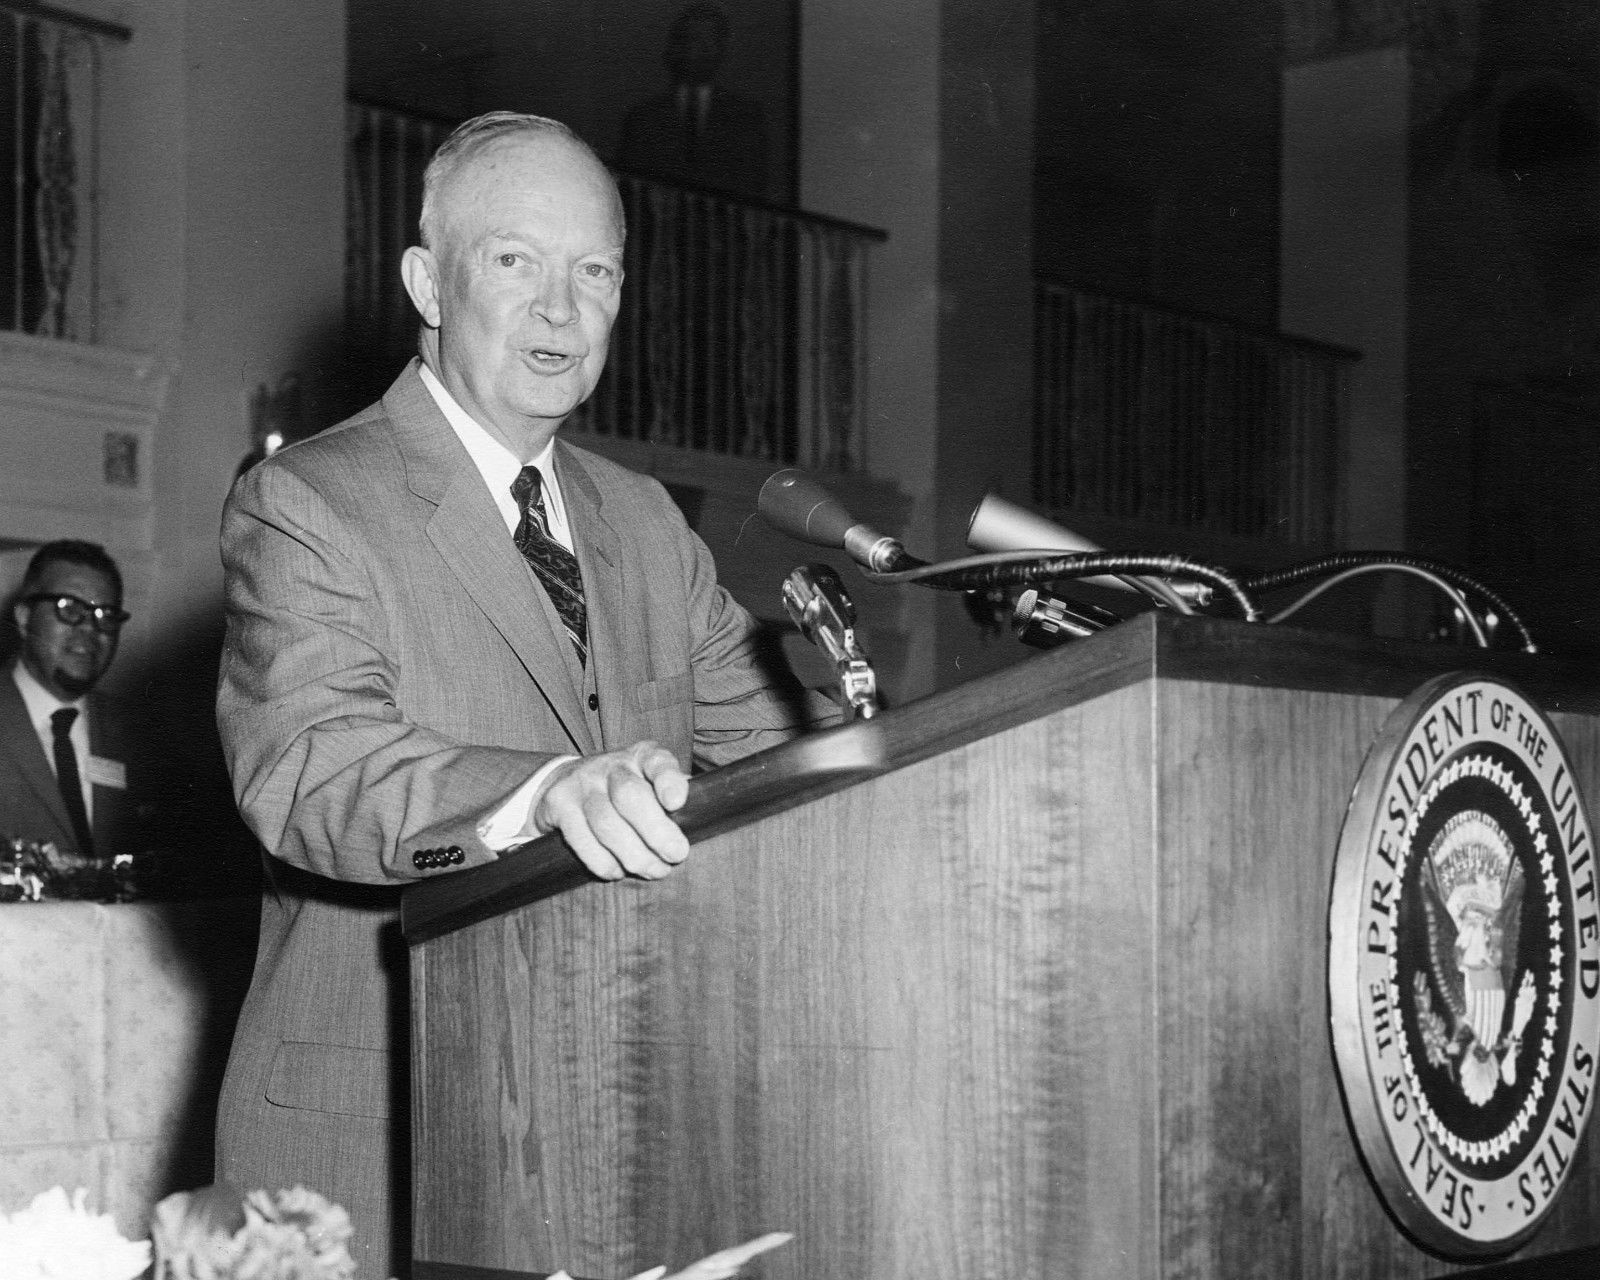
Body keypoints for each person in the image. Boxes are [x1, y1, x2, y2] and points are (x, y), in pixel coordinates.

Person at [214, 111, 832, 1278]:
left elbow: (776, 757)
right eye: (516, 261)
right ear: (427, 284)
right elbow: (312, 768)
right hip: (375, 1148)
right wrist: (548, 792)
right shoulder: (308, 501)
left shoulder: (645, 521)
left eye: (594, 271)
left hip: (621, 1136)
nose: (562, 308)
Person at [0, 541, 135, 859]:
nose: (90, 628)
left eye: (106, 615)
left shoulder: (139, 734)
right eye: (69, 609)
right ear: (24, 617)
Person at [616, 2, 772, 201]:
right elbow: (632, 188)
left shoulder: (745, 117)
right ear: (676, 46)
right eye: (692, 39)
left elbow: (753, 185)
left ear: (722, 49)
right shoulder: (643, 118)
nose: (700, 49)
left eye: (709, 41)